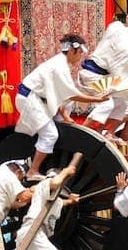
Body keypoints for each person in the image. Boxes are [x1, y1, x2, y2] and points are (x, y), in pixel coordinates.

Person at [15, 33, 109, 179]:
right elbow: (72, 94)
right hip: (31, 99)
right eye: (80, 54)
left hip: (37, 99)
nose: (80, 58)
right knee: (50, 134)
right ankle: (32, 171)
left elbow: (61, 94)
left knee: (58, 123)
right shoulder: (59, 66)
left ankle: (60, 122)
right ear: (72, 51)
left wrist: (65, 115)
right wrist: (98, 99)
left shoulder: (60, 63)